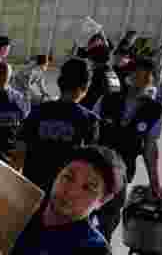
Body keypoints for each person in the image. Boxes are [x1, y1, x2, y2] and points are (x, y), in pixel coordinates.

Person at [91, 58, 162, 243]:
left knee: (110, 217)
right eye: (139, 76)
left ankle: (99, 250)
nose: (144, 81)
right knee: (85, 211)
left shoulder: (154, 110)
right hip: (94, 167)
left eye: (148, 78)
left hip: (123, 171)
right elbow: (89, 132)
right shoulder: (107, 100)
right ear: (129, 77)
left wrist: (154, 182)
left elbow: (150, 147)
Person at [11, 58, 100, 196]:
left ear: (60, 82)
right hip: (65, 197)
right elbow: (90, 167)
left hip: (32, 191)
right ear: (85, 87)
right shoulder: (89, 120)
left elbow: (19, 154)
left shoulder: (37, 112)